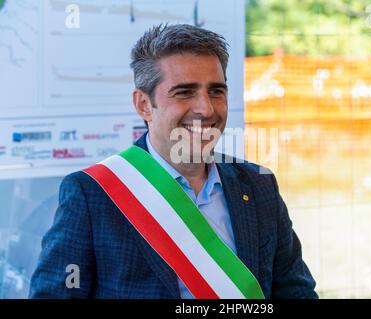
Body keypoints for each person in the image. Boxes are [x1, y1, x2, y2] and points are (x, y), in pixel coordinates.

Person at [29, 24, 318, 299]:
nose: (205, 109)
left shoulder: (258, 185)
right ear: (144, 105)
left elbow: (296, 291)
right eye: (184, 92)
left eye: (216, 91)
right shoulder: (92, 194)